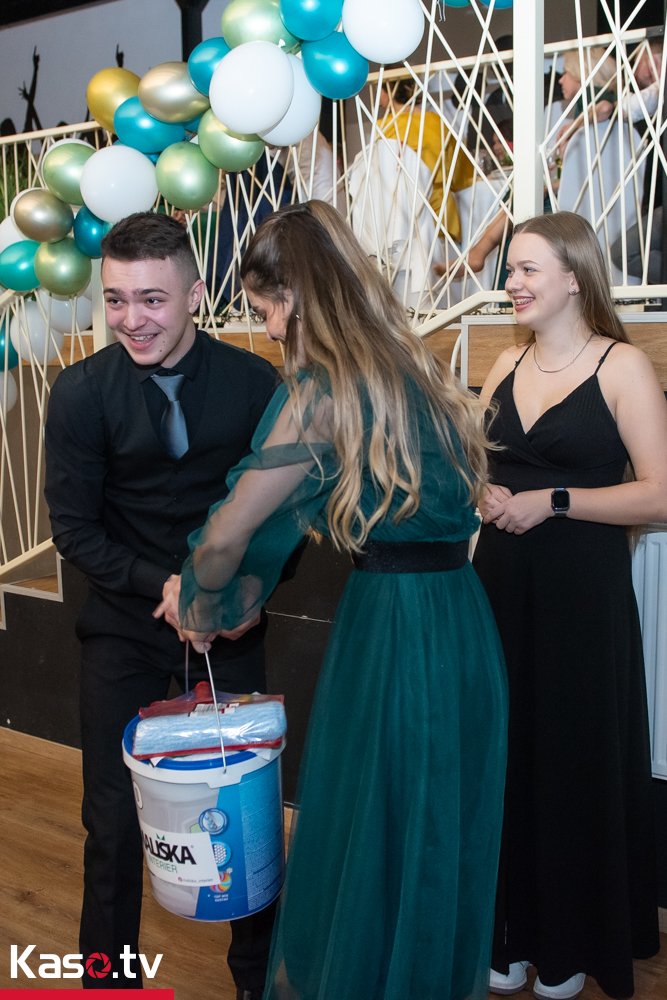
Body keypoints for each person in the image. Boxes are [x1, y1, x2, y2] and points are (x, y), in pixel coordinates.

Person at [156, 200, 508, 999]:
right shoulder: (416, 370)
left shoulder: (323, 390)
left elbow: (233, 529)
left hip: (394, 632)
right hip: (461, 621)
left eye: (265, 310)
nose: (268, 330)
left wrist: (198, 604)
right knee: (427, 829)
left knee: (373, 828)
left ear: (295, 297)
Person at [44, 211, 279, 1000]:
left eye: (151, 299)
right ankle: (107, 986)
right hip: (121, 631)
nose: (131, 319)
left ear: (195, 294)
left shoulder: (256, 384)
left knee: (246, 817)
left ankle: (256, 984)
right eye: (115, 300)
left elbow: (283, 517)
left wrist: (248, 594)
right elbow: (74, 531)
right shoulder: (79, 393)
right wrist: (170, 587)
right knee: (110, 825)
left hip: (231, 633)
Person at [472, 211, 666, 1000]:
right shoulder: (501, 364)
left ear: (574, 276)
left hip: (581, 599)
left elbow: (658, 494)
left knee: (571, 761)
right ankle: (511, 931)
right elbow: (477, 466)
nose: (510, 283)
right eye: (509, 270)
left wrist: (552, 500)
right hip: (499, 590)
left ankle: (570, 945)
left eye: (525, 269)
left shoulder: (622, 367)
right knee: (507, 758)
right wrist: (482, 493)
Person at [379, 75, 474, 243]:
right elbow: (461, 174)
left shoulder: (384, 128)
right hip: (441, 211)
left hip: (401, 212)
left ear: (388, 91)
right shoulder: (437, 122)